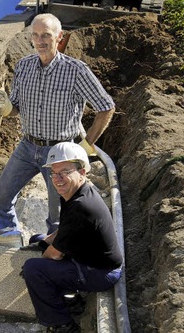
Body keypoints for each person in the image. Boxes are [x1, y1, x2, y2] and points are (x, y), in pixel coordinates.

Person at [0, 13, 115, 235]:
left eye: (46, 35)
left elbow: (106, 106)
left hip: (60, 151)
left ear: (59, 37)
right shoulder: (23, 67)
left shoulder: (76, 71)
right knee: (0, 199)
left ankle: (54, 253)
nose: (40, 41)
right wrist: (7, 107)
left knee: (57, 215)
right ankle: (10, 238)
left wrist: (88, 144)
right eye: (36, 35)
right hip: (28, 146)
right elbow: (17, 105)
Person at [22, 142, 123, 332]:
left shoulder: (81, 206)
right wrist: (43, 242)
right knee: (37, 239)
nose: (58, 179)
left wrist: (38, 267)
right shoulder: (76, 192)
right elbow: (63, 231)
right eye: (54, 173)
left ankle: (62, 324)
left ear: (82, 172)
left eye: (65, 172)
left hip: (100, 272)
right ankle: (70, 300)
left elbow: (54, 255)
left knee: (33, 269)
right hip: (91, 259)